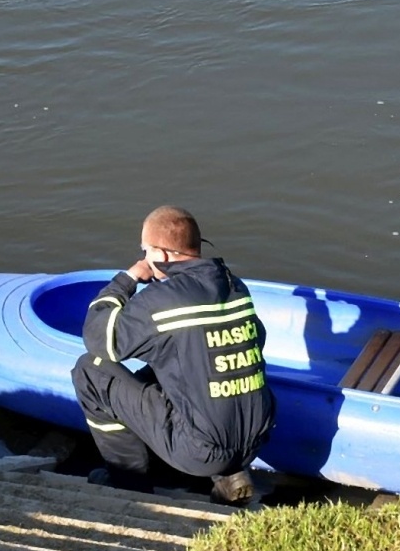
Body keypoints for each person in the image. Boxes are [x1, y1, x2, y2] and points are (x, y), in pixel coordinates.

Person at [70, 206, 275, 504]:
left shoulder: (163, 298)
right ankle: (231, 476)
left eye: (145, 251)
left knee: (90, 372)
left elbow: (100, 339)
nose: (143, 259)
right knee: (195, 357)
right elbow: (259, 337)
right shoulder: (233, 285)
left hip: (199, 451)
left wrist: (127, 279)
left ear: (161, 255)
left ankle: (129, 484)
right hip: (256, 437)